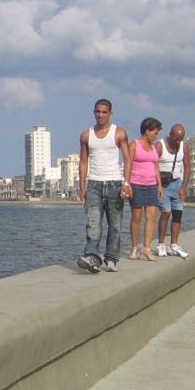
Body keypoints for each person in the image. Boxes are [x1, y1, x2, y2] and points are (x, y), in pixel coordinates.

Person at [77, 99, 132, 274]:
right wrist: (82, 186)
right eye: (97, 112)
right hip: (94, 184)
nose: (100, 115)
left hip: (114, 184)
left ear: (110, 113)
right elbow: (83, 161)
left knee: (114, 225)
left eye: (104, 112)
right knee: (93, 224)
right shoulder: (86, 135)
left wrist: (126, 183)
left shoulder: (119, 133)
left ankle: (111, 258)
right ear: (94, 112)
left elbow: (128, 160)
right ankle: (92, 257)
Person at [125, 117, 163, 261]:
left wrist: (159, 185)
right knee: (136, 217)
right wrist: (127, 184)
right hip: (136, 184)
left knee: (152, 216)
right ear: (147, 131)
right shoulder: (134, 145)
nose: (156, 135)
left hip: (151, 185)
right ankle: (134, 248)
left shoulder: (154, 148)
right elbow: (128, 164)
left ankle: (146, 248)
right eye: (155, 132)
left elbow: (156, 166)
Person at [155, 123, 191, 258]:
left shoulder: (184, 147)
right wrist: (157, 184)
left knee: (177, 214)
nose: (178, 142)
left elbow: (187, 167)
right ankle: (160, 244)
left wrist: (183, 187)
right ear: (170, 135)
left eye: (180, 139)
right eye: (175, 139)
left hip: (177, 184)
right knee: (166, 213)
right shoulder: (160, 146)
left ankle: (174, 244)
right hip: (163, 185)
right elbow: (152, 165)